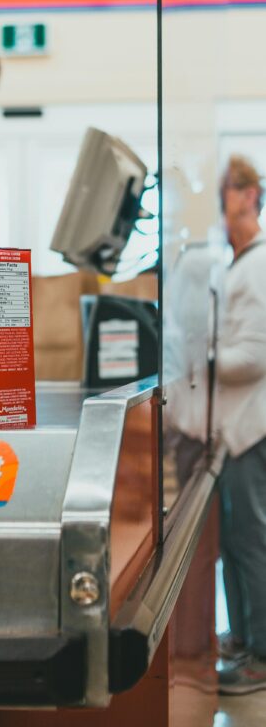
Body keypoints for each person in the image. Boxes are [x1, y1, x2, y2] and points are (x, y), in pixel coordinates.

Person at [215, 154, 266, 695]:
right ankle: (245, 634)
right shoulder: (239, 262)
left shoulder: (257, 266)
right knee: (234, 539)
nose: (220, 202)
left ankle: (263, 656)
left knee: (251, 542)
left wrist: (198, 356)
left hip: (252, 430)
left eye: (227, 191)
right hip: (235, 431)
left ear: (251, 195)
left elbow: (251, 357)